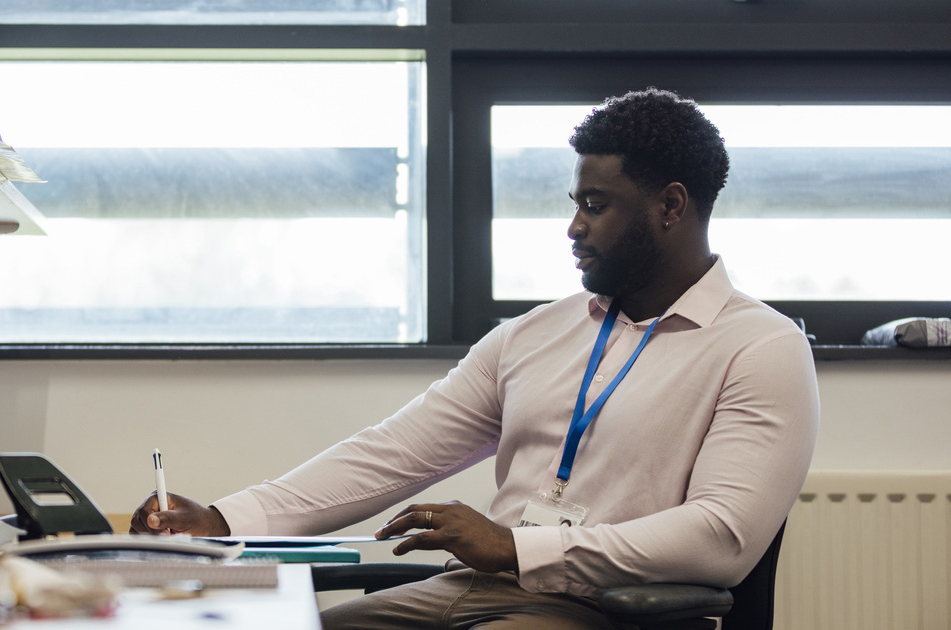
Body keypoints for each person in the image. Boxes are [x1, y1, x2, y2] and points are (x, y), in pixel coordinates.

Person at [130, 87, 820, 630]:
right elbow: (391, 454)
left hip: (611, 612)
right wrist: (223, 521)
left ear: (671, 206)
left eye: (596, 205)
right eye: (576, 203)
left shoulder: (761, 348)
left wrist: (517, 547)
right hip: (470, 589)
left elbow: (721, 538)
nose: (574, 227)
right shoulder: (534, 336)